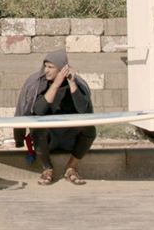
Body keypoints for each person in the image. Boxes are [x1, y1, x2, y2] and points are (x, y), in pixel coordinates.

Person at [14, 50, 96, 185]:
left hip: (69, 136)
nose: (46, 70)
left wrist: (71, 82)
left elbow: (83, 109)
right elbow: (38, 111)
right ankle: (47, 169)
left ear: (62, 69)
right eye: (45, 66)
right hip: (48, 139)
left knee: (89, 129)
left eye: (51, 67)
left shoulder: (77, 83)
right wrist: (55, 85)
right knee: (37, 128)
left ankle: (71, 168)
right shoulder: (38, 84)